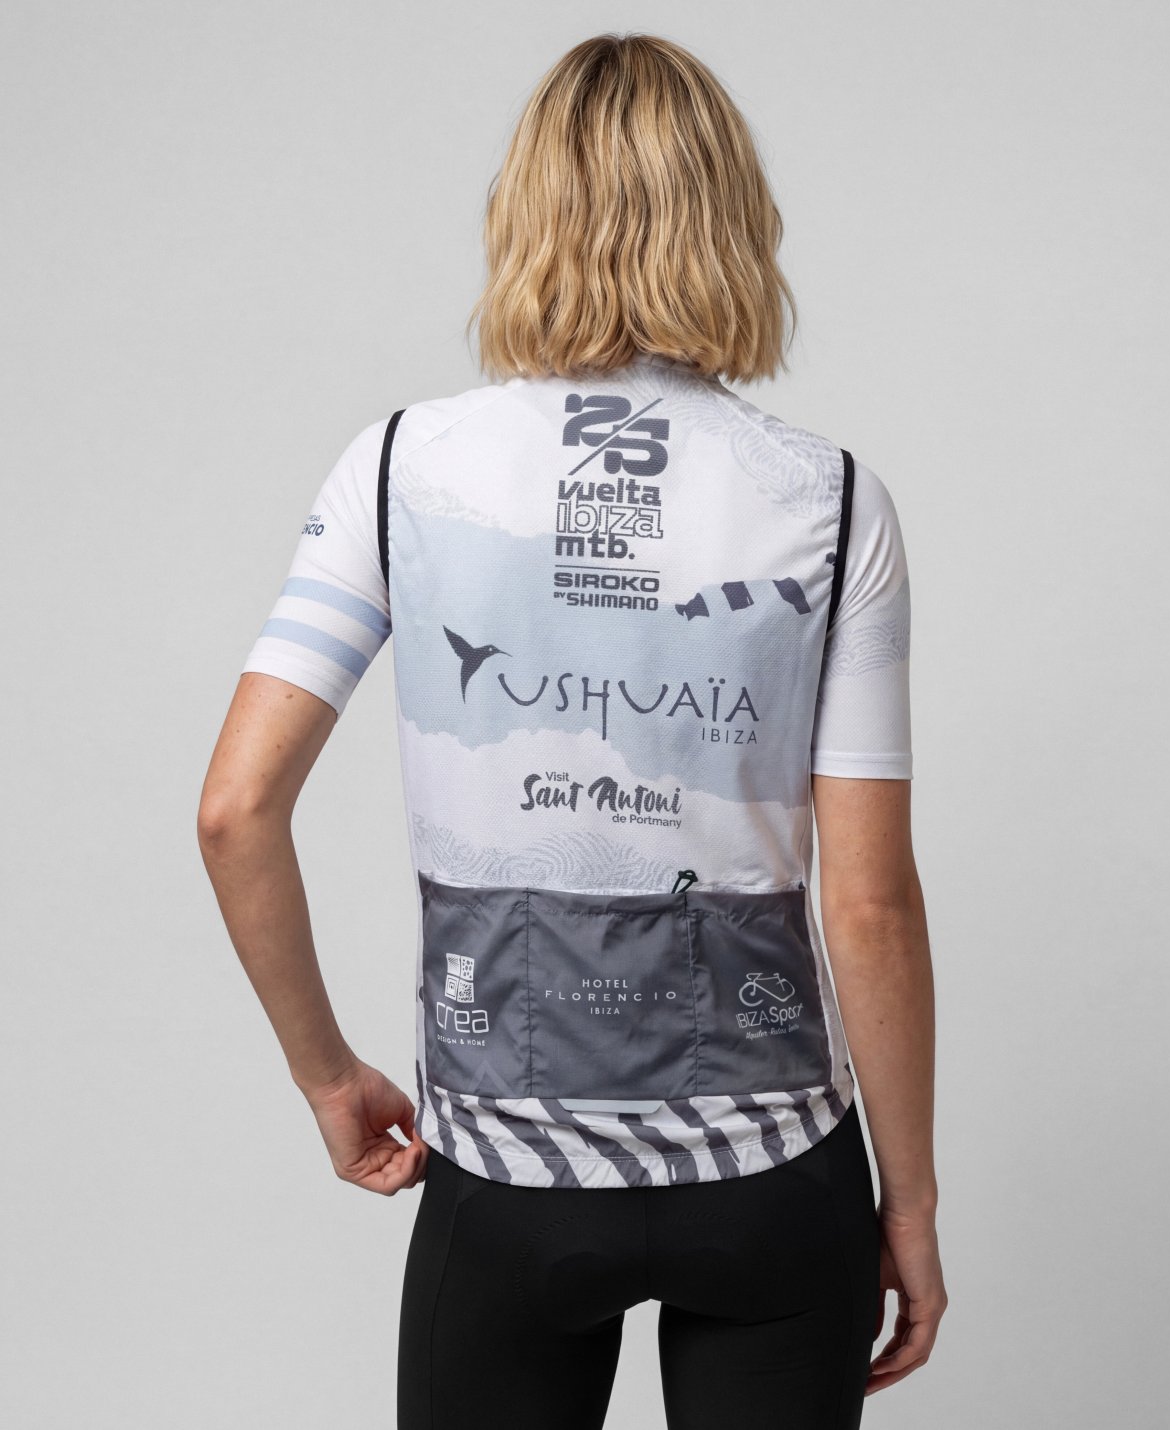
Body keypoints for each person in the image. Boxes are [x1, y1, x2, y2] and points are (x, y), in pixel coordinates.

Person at [197, 30, 947, 1430]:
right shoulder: (834, 501)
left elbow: (235, 811)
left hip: (506, 1182)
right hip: (776, 1178)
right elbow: (871, 901)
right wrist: (908, 1202)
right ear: (735, 218)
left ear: (522, 211)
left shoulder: (397, 470)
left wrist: (327, 1076)